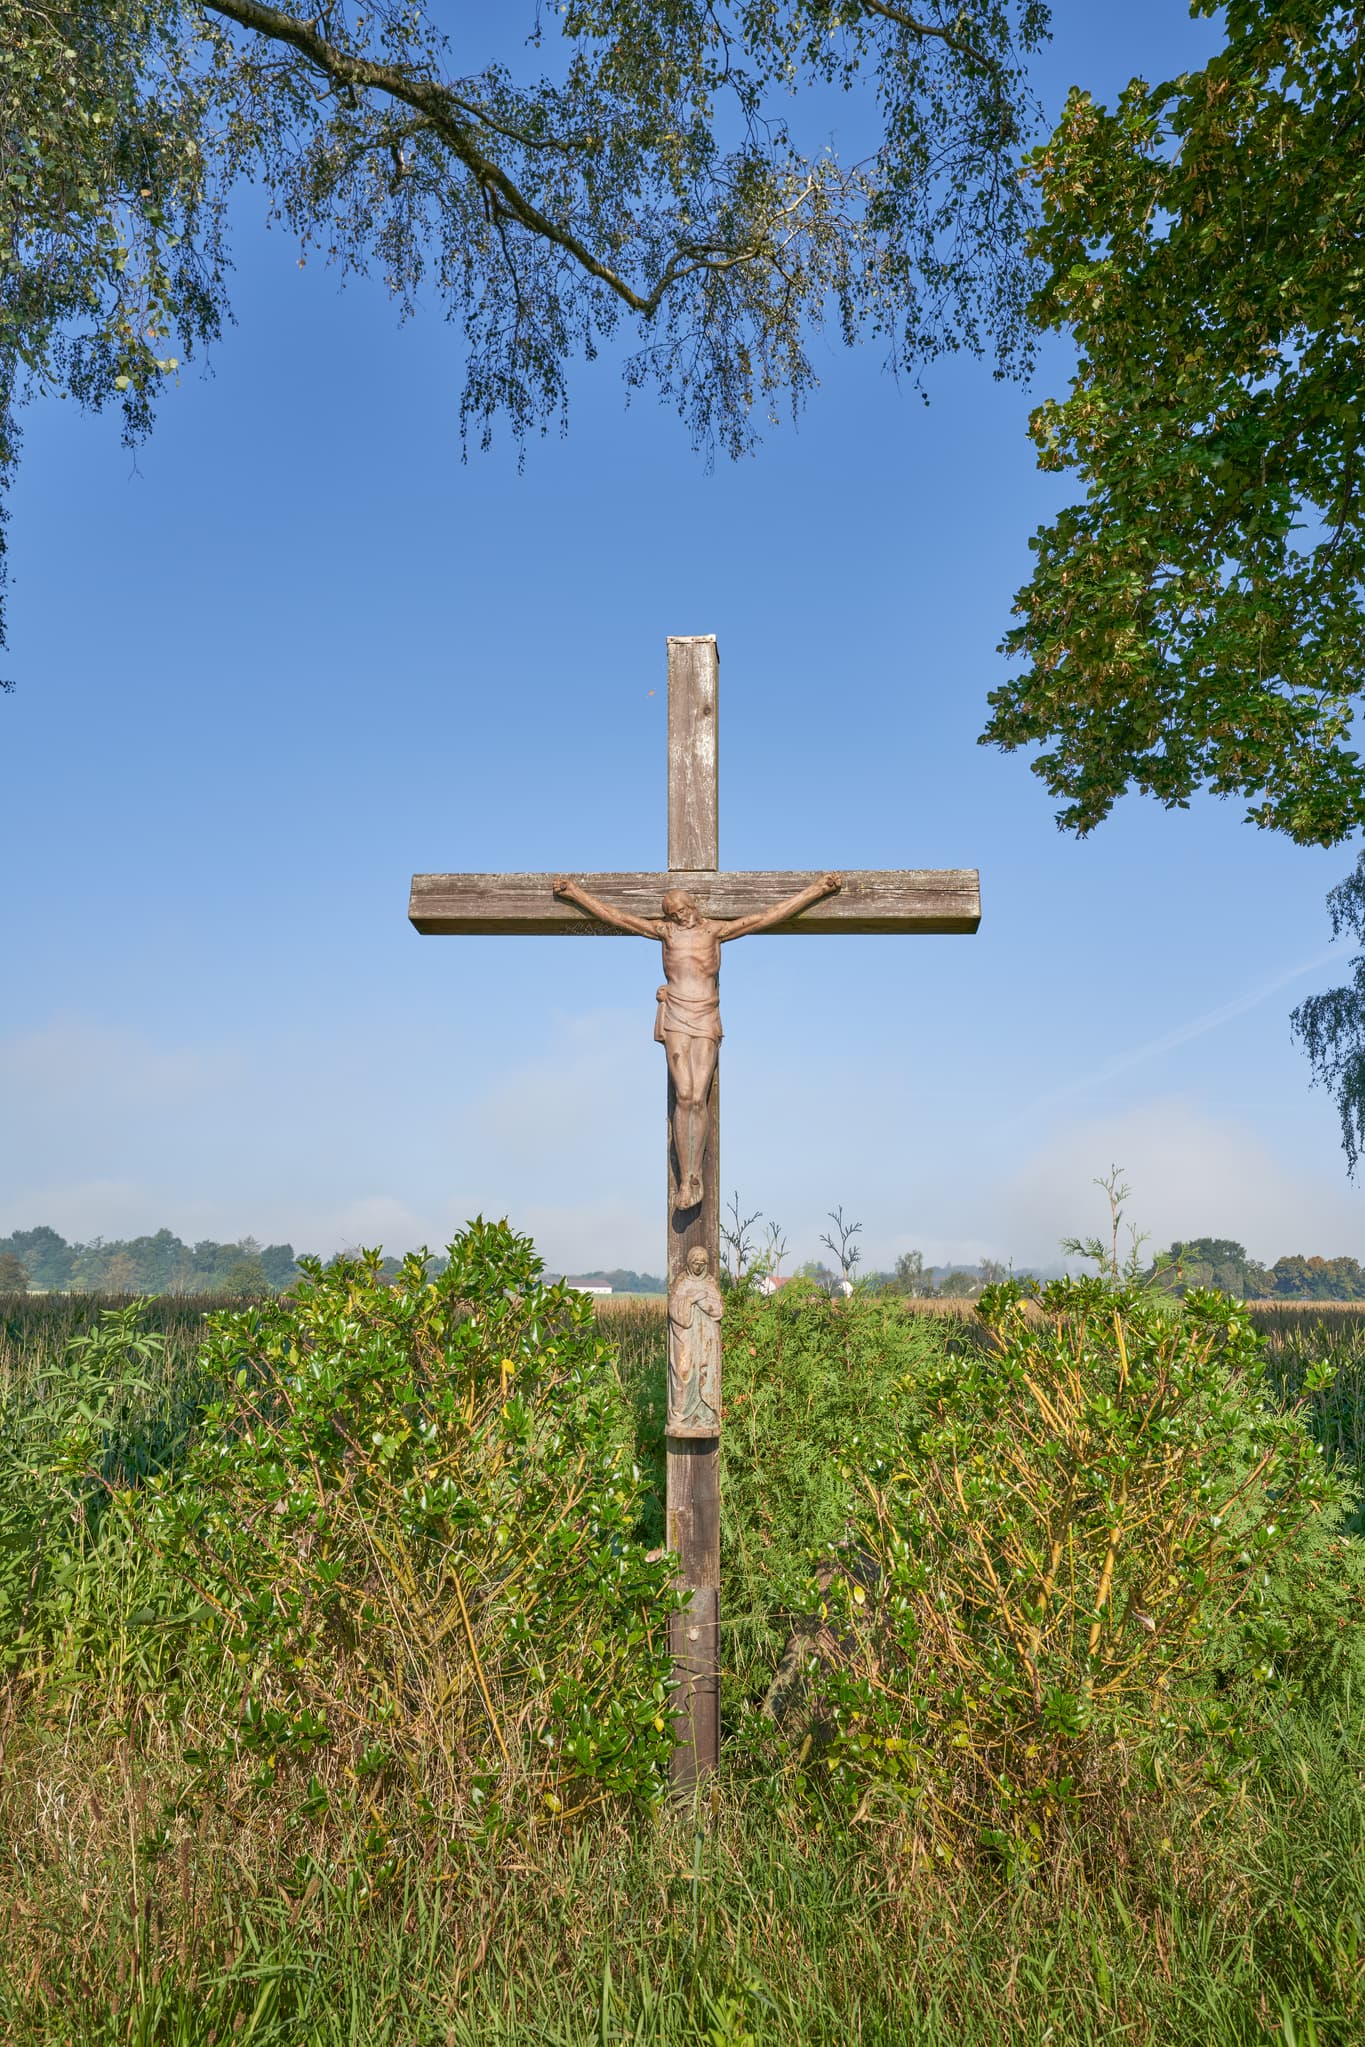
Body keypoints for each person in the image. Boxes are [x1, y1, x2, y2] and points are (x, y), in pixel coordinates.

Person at [552, 871, 842, 1209]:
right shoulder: (665, 933)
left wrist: (817, 889)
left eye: (682, 910)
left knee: (698, 1099)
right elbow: (617, 917)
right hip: (675, 1012)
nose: (679, 917)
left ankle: (694, 1177)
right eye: (672, 914)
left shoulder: (715, 930)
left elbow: (769, 915)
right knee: (684, 1093)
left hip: (706, 1014)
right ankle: (685, 1181)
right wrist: (575, 894)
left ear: (694, 905)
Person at [667, 1246, 725, 1436]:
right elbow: (674, 1309)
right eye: (695, 1263)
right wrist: (691, 1299)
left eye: (702, 1263)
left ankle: (705, 1416)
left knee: (707, 1374)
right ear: (689, 1262)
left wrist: (702, 1302)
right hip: (686, 1338)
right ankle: (681, 1417)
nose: (699, 1267)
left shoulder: (710, 1282)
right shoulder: (681, 1282)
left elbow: (718, 1310)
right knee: (684, 1371)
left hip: (707, 1339)